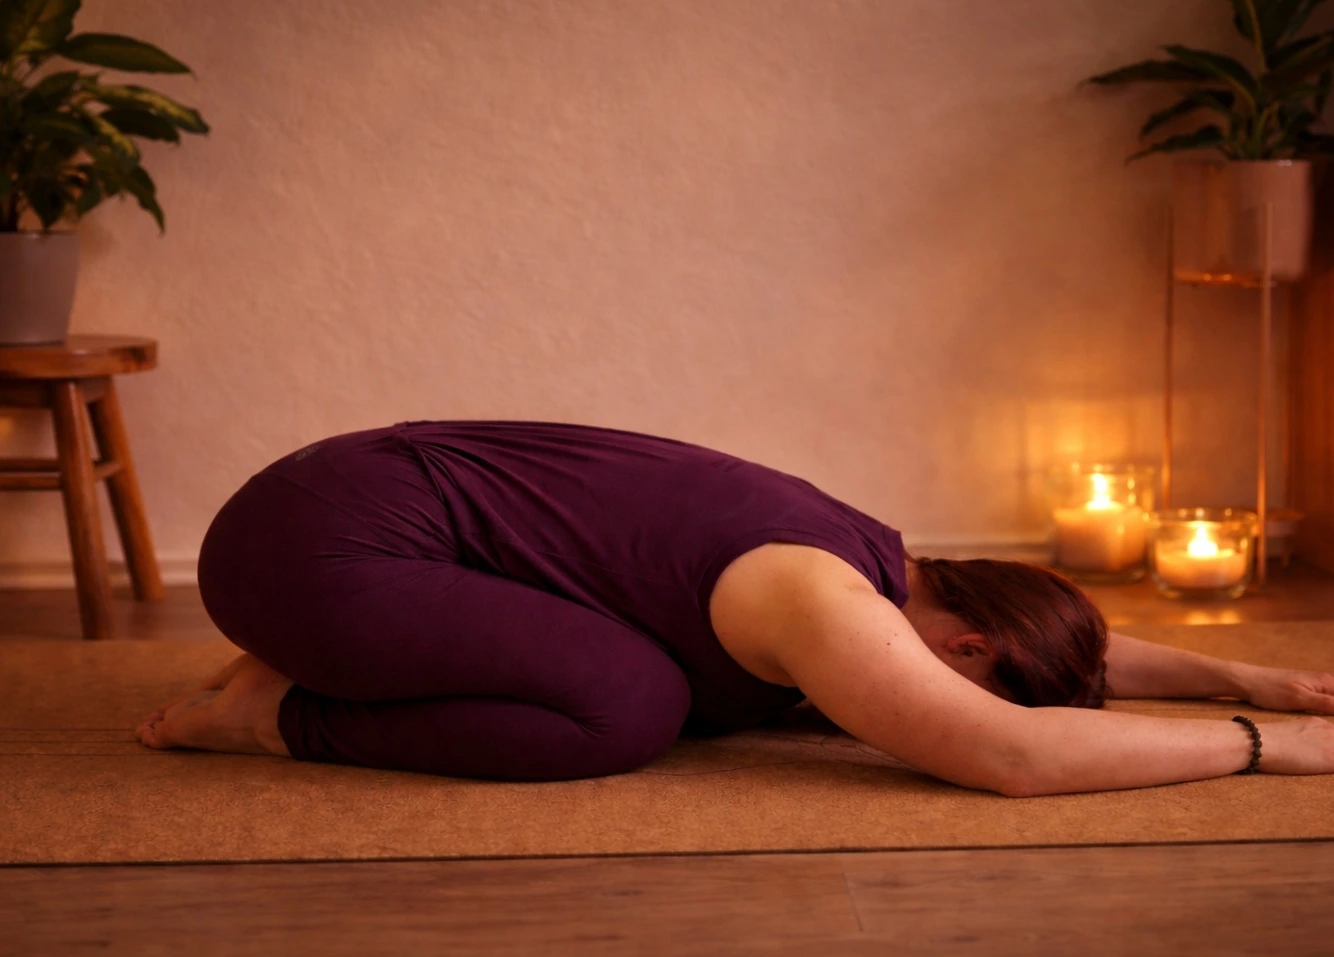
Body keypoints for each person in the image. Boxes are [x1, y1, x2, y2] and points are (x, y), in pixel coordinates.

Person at [137, 420, 1334, 795]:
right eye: (962, 676)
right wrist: (1261, 744)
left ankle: (308, 669)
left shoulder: (892, 564)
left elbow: (1060, 655)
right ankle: (276, 715)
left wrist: (1249, 675)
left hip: (326, 511)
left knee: (646, 680)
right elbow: (1007, 750)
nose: (908, 701)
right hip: (317, 553)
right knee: (626, 706)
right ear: (966, 640)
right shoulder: (819, 591)